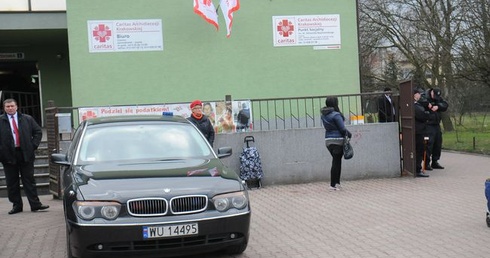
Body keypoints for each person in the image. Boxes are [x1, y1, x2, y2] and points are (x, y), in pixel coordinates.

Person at [0, 99, 49, 214]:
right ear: (4, 108)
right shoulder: (1, 121)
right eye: (7, 106)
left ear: (17, 107)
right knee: (12, 182)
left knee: (29, 180)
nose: (10, 108)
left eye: (12, 106)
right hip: (8, 156)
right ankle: (17, 205)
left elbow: (37, 132)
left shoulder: (27, 119)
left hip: (25, 153)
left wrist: (33, 146)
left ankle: (35, 204)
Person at [321, 97, 352, 190]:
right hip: (338, 140)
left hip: (328, 140)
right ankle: (333, 184)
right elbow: (342, 129)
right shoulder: (336, 115)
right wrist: (348, 134)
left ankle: (336, 183)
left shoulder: (324, 115)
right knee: (336, 162)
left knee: (336, 161)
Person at [424, 88, 448, 170]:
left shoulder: (438, 99)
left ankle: (435, 161)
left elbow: (445, 105)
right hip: (428, 125)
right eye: (434, 95)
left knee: (438, 143)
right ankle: (426, 163)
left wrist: (438, 106)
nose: (435, 97)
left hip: (436, 124)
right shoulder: (425, 97)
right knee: (429, 144)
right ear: (431, 92)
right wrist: (428, 105)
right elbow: (419, 103)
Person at [413, 89, 430, 177]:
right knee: (420, 150)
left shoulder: (416, 105)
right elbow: (423, 115)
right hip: (419, 131)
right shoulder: (415, 106)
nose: (420, 95)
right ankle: (417, 169)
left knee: (419, 149)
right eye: (418, 94)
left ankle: (417, 168)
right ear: (415, 95)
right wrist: (427, 114)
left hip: (418, 130)